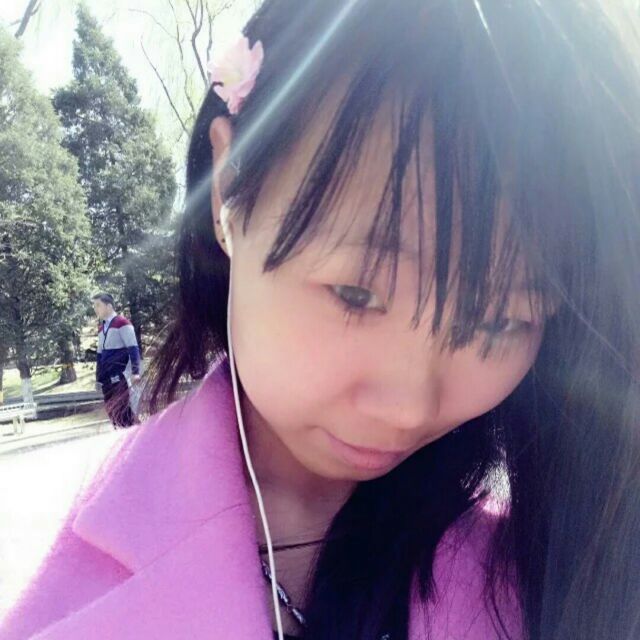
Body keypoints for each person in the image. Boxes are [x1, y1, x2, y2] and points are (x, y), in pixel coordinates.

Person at [2, 1, 640, 639]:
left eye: (501, 323)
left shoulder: (562, 565)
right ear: (229, 189)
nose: (408, 408)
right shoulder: (70, 600)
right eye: (356, 294)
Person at [91, 292, 140, 428]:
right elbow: (100, 356)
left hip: (119, 376)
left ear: (109, 306)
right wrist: (98, 379)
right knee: (111, 411)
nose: (95, 309)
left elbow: (133, 348)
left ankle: (139, 435)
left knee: (122, 410)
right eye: (94, 306)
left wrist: (136, 372)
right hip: (106, 378)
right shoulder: (101, 328)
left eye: (98, 305)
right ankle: (125, 436)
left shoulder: (122, 323)